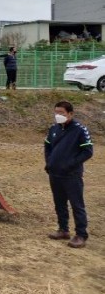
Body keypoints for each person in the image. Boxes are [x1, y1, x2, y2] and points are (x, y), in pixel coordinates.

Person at [44, 101, 93, 248]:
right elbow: (47, 147)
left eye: (62, 113)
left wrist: (70, 164)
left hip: (72, 175)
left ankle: (81, 235)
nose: (58, 116)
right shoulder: (54, 129)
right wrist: (49, 162)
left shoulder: (80, 130)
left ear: (70, 114)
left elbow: (88, 152)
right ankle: (63, 229)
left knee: (77, 205)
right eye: (56, 113)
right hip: (55, 173)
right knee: (59, 203)